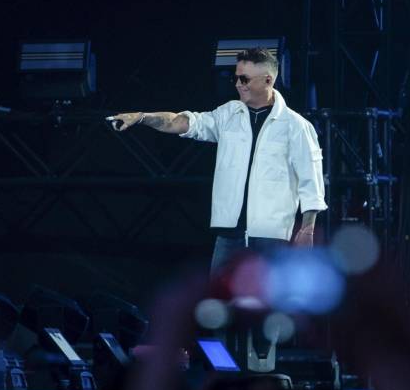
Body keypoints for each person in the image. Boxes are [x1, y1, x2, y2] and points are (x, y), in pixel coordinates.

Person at [107, 48, 327, 276]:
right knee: (219, 304)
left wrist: (307, 229)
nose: (238, 84)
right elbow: (179, 123)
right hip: (229, 234)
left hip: (270, 236)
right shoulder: (228, 114)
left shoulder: (295, 125)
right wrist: (142, 117)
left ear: (268, 80)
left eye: (245, 79)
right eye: (235, 78)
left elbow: (311, 181)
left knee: (267, 305)